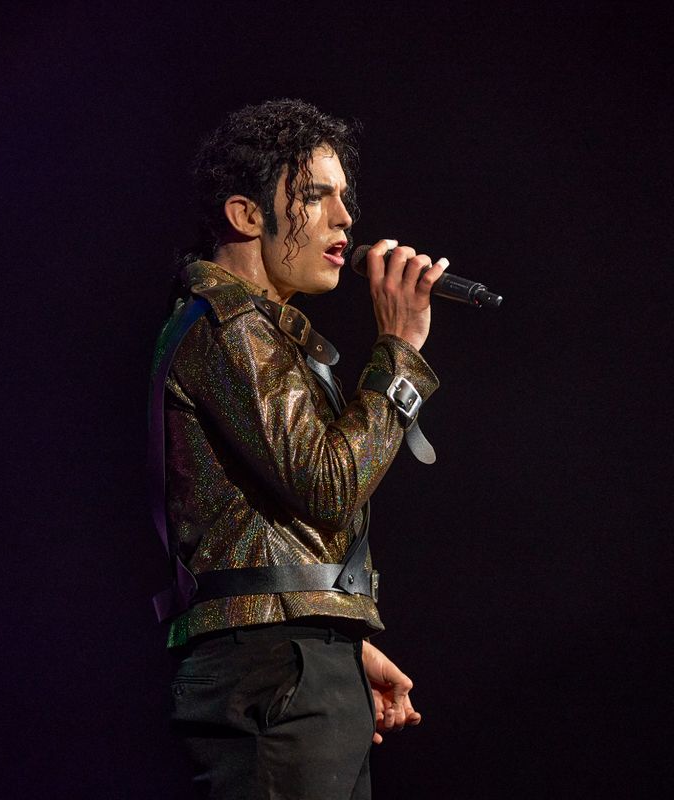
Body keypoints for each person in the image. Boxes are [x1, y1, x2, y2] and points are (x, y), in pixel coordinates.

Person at [154, 98, 445, 799]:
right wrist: (400, 353)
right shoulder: (230, 329)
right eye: (317, 197)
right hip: (273, 673)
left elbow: (262, 522)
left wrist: (334, 639)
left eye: (345, 198)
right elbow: (326, 482)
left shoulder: (255, 332)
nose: (346, 218)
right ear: (247, 216)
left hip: (292, 659)